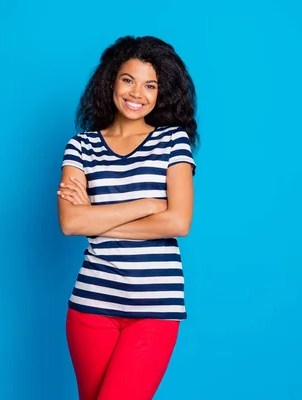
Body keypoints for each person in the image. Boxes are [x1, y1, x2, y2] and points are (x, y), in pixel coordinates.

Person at [56, 35, 198, 400]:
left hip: (155, 308)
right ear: (111, 82)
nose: (138, 93)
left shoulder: (173, 141)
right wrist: (148, 204)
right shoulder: (81, 146)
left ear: (161, 92)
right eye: (128, 80)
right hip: (91, 306)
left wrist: (97, 218)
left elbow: (178, 222)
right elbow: (71, 223)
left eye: (150, 85)